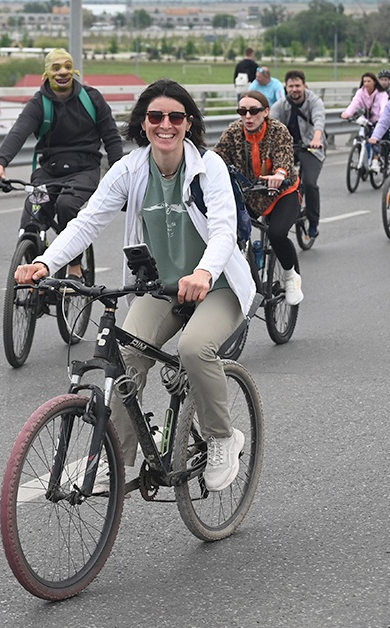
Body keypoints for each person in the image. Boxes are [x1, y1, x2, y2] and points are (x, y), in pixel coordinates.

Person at [13, 79, 256, 493]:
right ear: (143, 124)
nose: (166, 125)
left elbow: (222, 231)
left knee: (194, 349)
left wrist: (203, 273)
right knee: (125, 357)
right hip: (162, 288)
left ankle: (222, 437)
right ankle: (118, 459)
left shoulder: (207, 167)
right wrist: (44, 261)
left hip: (217, 286)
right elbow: (88, 221)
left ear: (188, 123)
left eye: (175, 117)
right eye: (155, 116)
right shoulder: (131, 168)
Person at [0, 48, 123, 279]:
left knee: (66, 205)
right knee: (33, 213)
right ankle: (31, 261)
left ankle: (74, 266)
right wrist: (0, 165)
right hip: (48, 172)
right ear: (46, 73)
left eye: (67, 67)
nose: (63, 72)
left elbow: (111, 138)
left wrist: (119, 175)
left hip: (84, 171)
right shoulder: (39, 104)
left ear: (74, 70)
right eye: (56, 68)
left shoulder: (91, 98)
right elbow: (18, 132)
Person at [214, 91, 303, 305]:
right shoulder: (234, 132)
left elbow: (284, 155)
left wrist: (279, 175)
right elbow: (216, 157)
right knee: (225, 231)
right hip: (250, 195)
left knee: (277, 233)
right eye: (242, 111)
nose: (248, 116)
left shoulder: (277, 131)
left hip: (282, 193)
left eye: (253, 111)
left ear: (265, 112)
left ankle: (291, 277)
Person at [270, 70, 325, 238]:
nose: (294, 89)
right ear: (286, 87)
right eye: (291, 86)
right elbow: (271, 124)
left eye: (297, 86)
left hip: (311, 147)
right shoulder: (280, 105)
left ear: (304, 86)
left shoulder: (314, 101)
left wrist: (316, 138)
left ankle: (313, 222)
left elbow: (319, 120)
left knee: (309, 183)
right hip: (288, 148)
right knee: (275, 178)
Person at [341, 72, 390, 174]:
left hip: (379, 120)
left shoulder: (382, 94)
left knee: (376, 139)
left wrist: (382, 118)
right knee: (363, 138)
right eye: (364, 81)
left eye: (369, 81)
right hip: (366, 120)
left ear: (374, 82)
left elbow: (384, 106)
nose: (366, 83)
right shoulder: (361, 92)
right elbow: (355, 103)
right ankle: (363, 159)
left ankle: (376, 160)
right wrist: (347, 113)